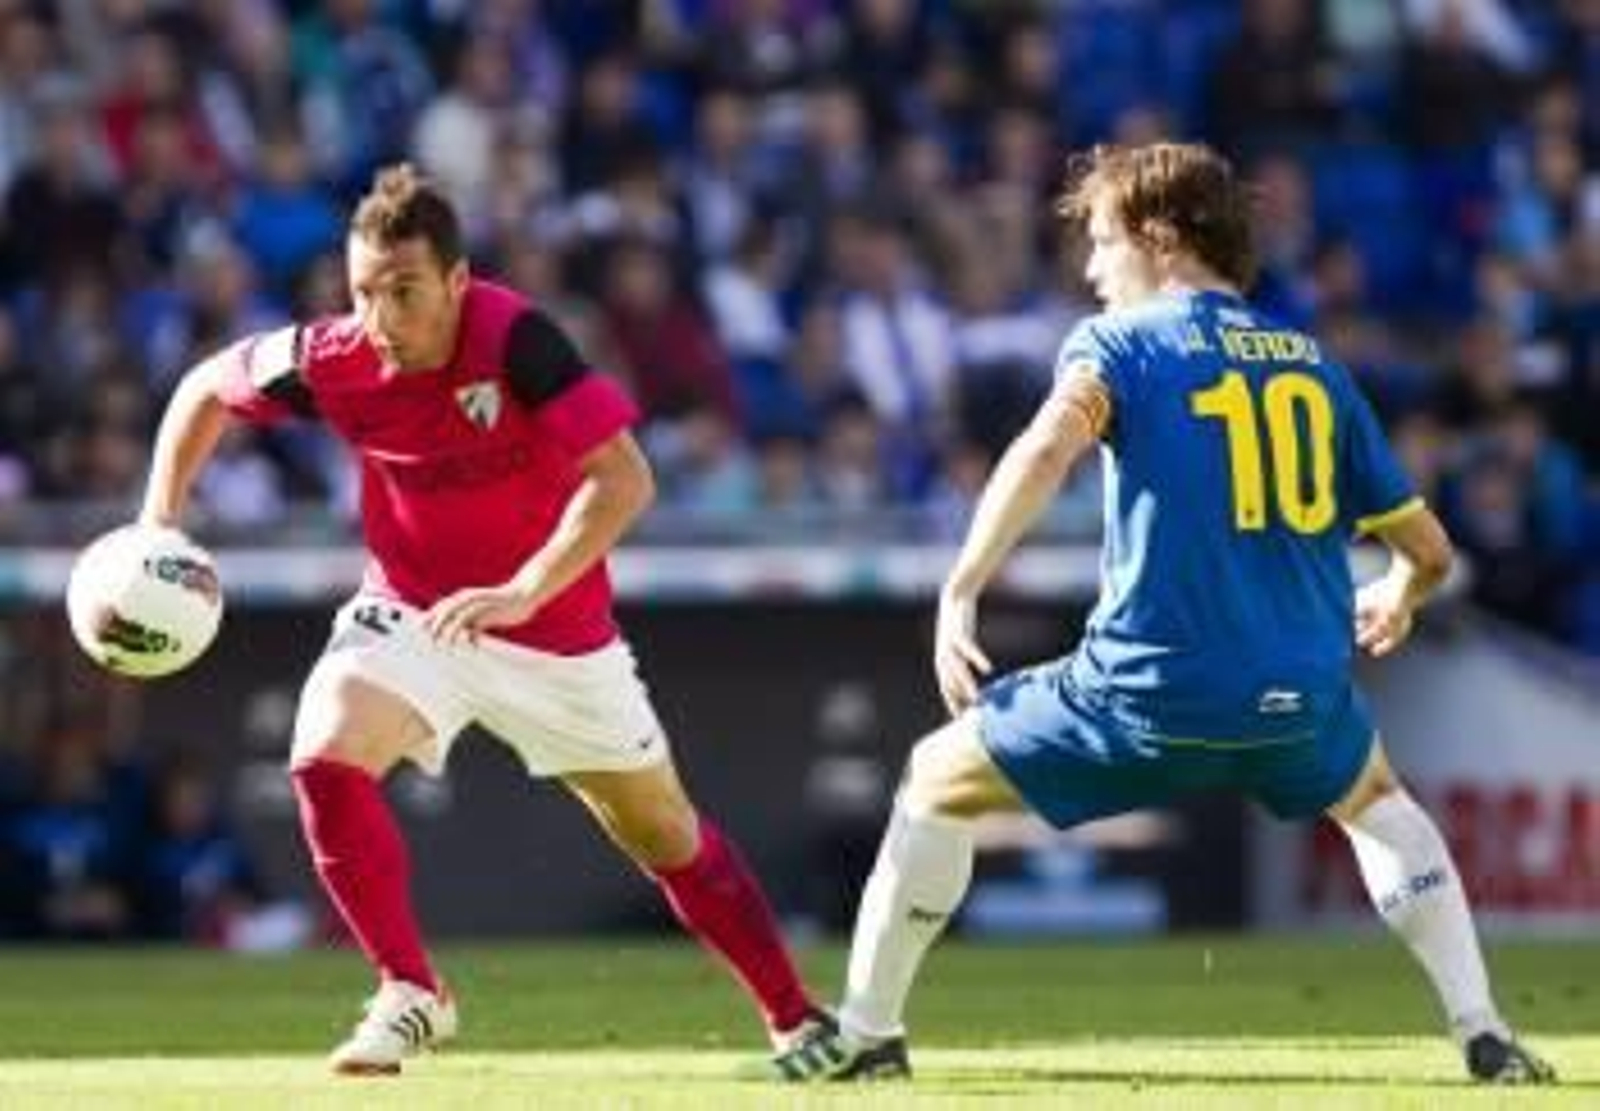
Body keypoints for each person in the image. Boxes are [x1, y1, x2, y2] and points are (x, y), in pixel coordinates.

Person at [771, 142, 1556, 1086]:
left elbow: (1043, 449)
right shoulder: (1316, 367)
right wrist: (1399, 592)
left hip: (1148, 688)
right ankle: (1481, 1031)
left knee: (935, 778)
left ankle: (869, 1033)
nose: (1093, 270)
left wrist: (963, 584)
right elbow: (1430, 550)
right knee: (1383, 806)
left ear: (1162, 236)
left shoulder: (1120, 346)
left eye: (1103, 242)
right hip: (1300, 695)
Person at [135, 164, 829, 1076]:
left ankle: (798, 1020)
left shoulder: (517, 341)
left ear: (458, 282)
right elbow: (204, 389)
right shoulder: (335, 358)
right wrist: (157, 520)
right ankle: (410, 991)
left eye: (405, 291)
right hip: (415, 611)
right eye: (364, 291)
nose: (380, 315)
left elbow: (624, 479)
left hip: (555, 631)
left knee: (664, 831)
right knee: (323, 758)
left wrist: (526, 589)